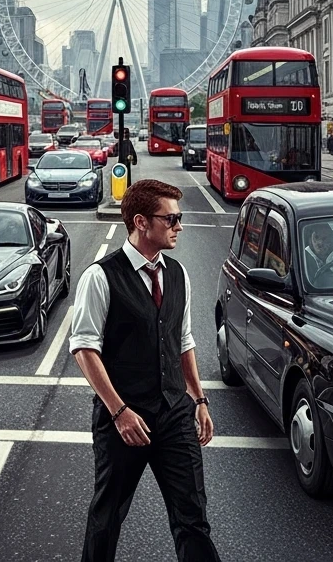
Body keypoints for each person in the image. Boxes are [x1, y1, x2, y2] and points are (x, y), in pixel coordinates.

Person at [68, 179, 219, 562]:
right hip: (124, 419)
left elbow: (182, 340)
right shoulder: (100, 277)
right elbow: (84, 348)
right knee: (108, 517)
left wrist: (199, 399)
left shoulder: (178, 274)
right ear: (141, 222)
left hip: (174, 414)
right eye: (171, 219)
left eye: (179, 219)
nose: (179, 227)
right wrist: (118, 411)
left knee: (193, 520)